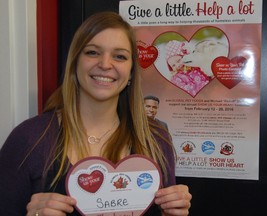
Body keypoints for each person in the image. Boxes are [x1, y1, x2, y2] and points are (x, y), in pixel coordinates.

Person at [0, 12, 192, 216]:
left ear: (131, 72)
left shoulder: (155, 138)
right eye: (92, 52)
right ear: (75, 63)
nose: (105, 64)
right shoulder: (30, 138)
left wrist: (171, 212)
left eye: (119, 56)